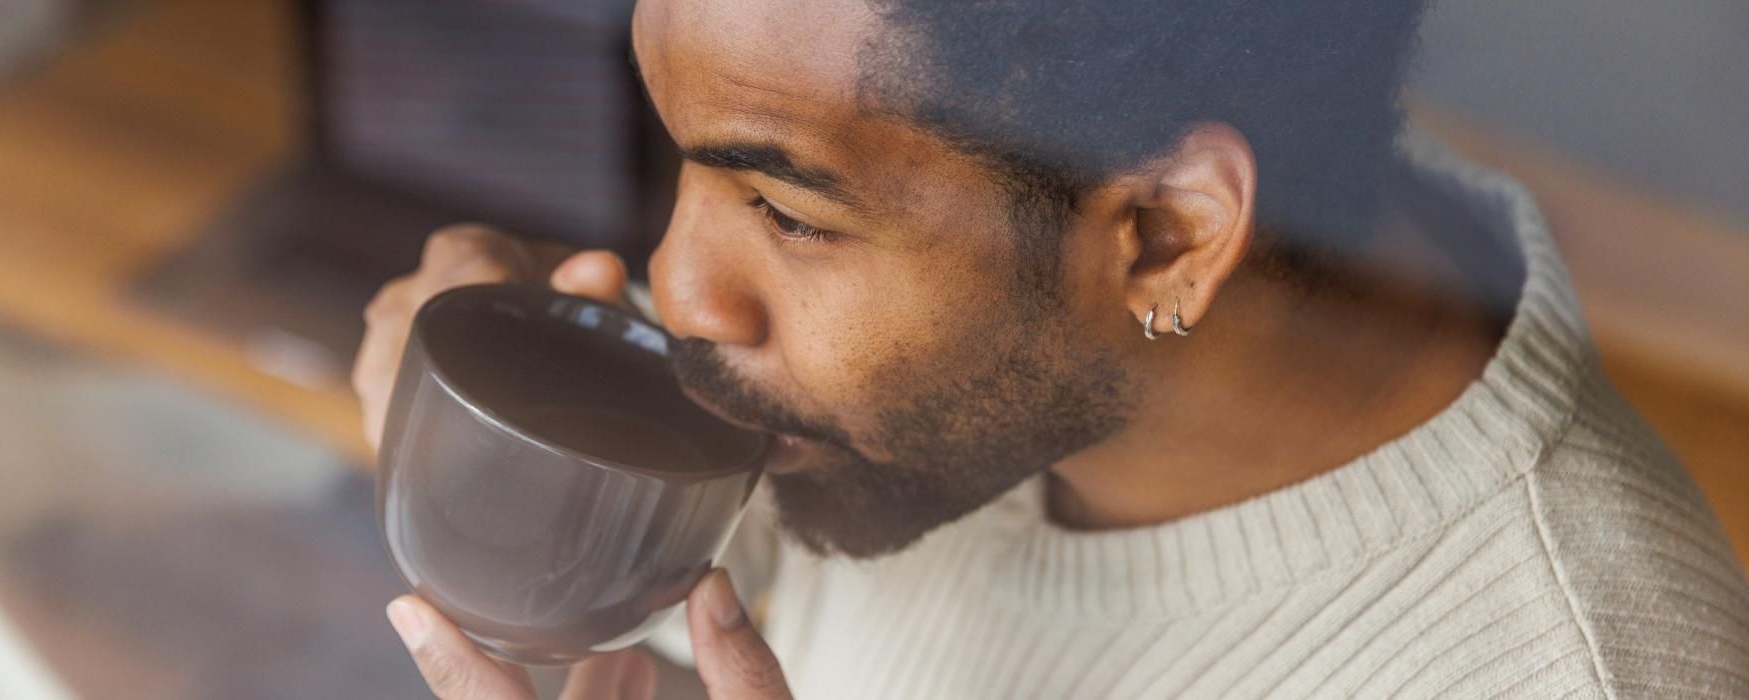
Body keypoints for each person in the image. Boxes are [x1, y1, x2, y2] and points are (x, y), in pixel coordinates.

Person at [353, 1, 1749, 698]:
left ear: (1162, 237)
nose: (678, 287)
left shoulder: (1574, 667)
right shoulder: (922, 393)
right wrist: (502, 458)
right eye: (686, 168)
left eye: (780, 207)